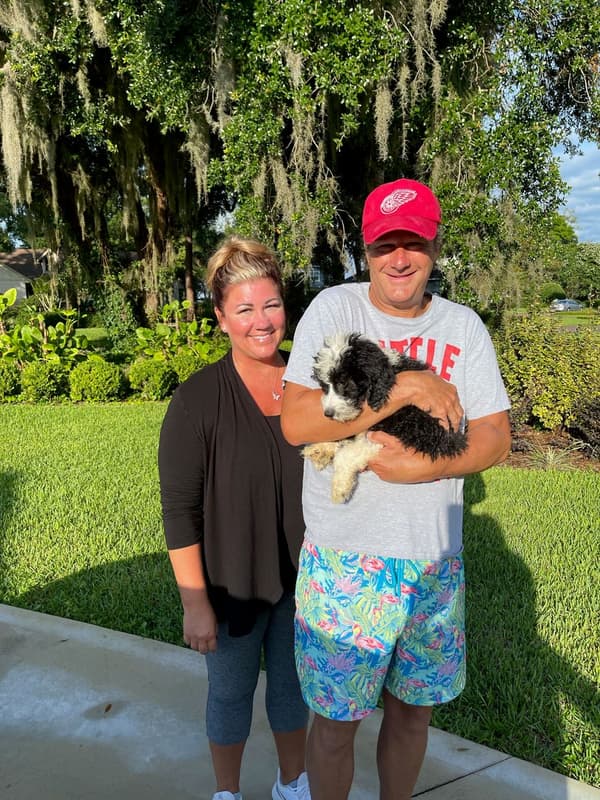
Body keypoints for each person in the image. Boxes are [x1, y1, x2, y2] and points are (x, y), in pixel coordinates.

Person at [280, 178, 512, 800]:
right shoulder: (334, 310)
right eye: (386, 244)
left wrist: (428, 468)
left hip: (433, 563)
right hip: (345, 560)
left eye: (414, 242)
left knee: (413, 715)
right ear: (367, 247)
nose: (400, 258)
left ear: (434, 246)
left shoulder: (463, 328)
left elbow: (495, 438)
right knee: (335, 723)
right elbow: (298, 421)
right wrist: (406, 390)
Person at [158, 236, 311, 800]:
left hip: (305, 580)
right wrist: (194, 603)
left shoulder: (310, 387)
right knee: (229, 694)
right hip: (230, 585)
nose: (261, 321)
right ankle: (227, 792)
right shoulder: (196, 401)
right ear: (221, 317)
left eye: (270, 305)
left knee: (293, 692)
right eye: (244, 309)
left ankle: (292, 783)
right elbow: (179, 509)